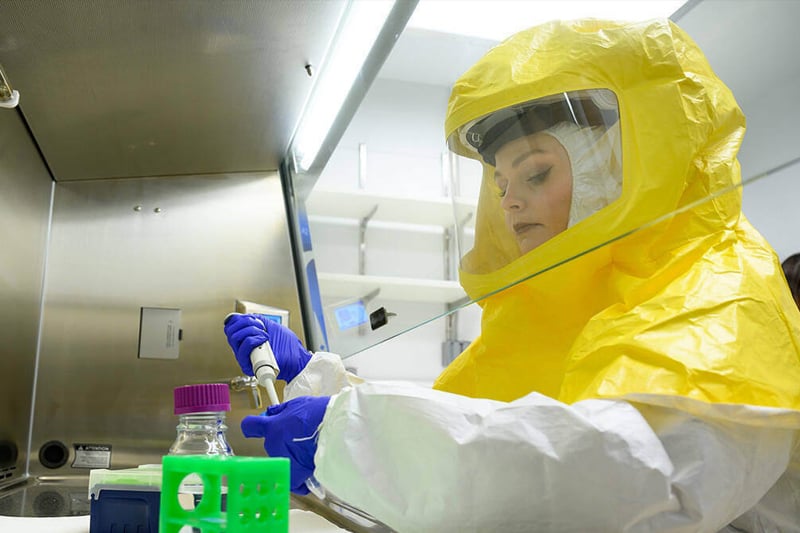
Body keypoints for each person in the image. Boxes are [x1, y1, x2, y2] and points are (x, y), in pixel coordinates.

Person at [224, 18, 800, 532]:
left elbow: (619, 478)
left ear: (628, 167)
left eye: (537, 174)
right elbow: (495, 429)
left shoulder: (721, 293)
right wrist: (318, 386)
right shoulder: (571, 304)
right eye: (501, 186)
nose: (510, 206)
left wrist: (345, 434)